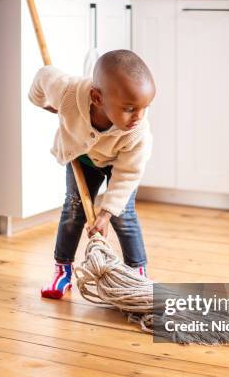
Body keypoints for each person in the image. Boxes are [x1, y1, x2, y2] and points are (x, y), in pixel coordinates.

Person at [28, 49, 155, 299]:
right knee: (73, 209)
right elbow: (44, 75)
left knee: (123, 214)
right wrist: (41, 102)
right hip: (83, 158)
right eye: (130, 108)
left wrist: (106, 213)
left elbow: (128, 174)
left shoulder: (138, 133)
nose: (138, 116)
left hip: (119, 163)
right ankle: (62, 270)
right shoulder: (67, 92)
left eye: (144, 107)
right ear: (97, 98)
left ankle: (137, 272)